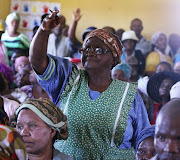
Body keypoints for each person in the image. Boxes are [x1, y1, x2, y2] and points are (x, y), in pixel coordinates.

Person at [29, 10, 150, 159]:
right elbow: (37, 61)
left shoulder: (129, 93)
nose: (90, 53)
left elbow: (144, 139)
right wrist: (44, 30)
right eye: (86, 49)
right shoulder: (68, 79)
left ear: (114, 58)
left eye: (98, 50)